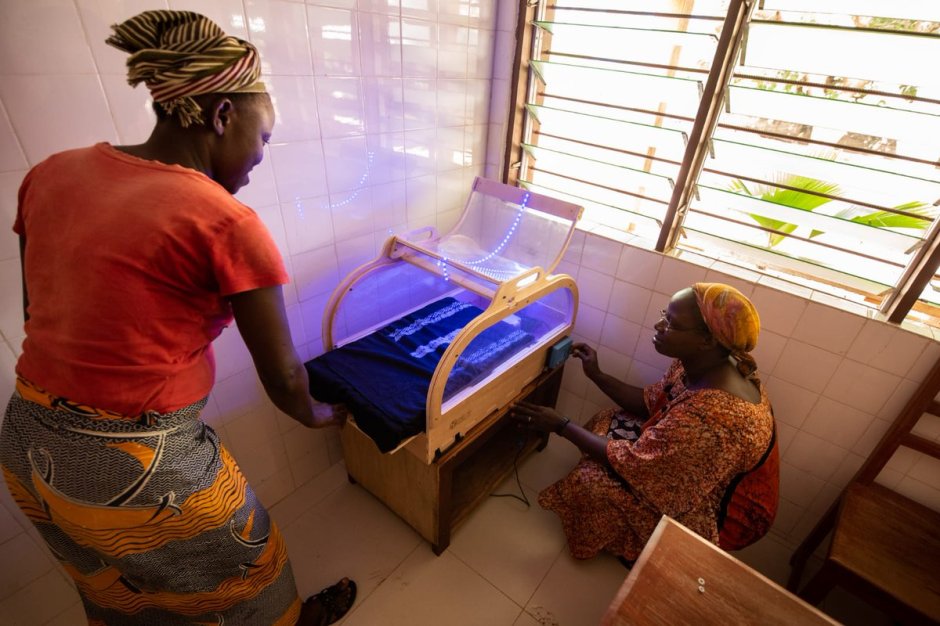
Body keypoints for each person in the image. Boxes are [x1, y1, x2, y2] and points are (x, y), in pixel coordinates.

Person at [0, 10, 355, 625]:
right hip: (138, 464)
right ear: (222, 116)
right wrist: (327, 417)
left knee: (122, 595)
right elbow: (286, 381)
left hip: (26, 441)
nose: (262, 155)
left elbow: (38, 311)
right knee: (253, 581)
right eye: (264, 137)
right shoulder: (225, 220)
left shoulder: (50, 172)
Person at [512, 283, 777, 562]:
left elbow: (636, 463)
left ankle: (627, 541)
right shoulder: (704, 362)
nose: (658, 324)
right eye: (665, 314)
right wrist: (597, 374)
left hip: (714, 510)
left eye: (671, 323)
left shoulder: (716, 419)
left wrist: (561, 425)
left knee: (589, 482)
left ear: (707, 340)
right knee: (606, 419)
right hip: (686, 463)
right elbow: (651, 401)